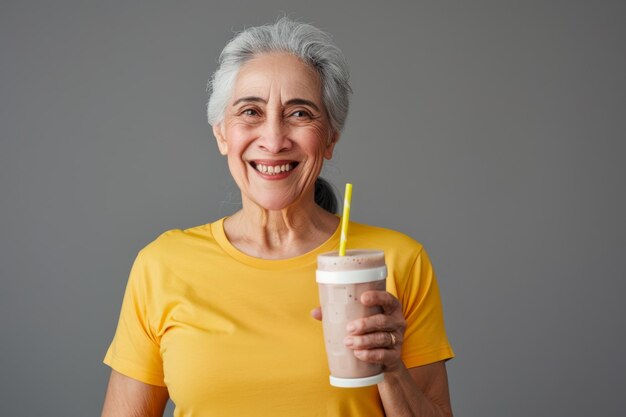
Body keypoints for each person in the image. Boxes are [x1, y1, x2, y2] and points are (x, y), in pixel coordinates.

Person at [101, 17, 454, 417]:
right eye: (250, 111)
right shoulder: (162, 265)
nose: (273, 139)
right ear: (221, 134)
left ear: (331, 137)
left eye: (300, 114)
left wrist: (390, 369)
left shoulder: (397, 261)